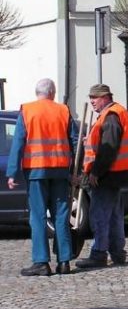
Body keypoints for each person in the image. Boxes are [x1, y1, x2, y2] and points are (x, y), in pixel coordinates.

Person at [5, 78, 78, 276]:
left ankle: (41, 262)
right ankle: (64, 262)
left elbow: (18, 143)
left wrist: (12, 172)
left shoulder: (27, 111)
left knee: (37, 217)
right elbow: (74, 142)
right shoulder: (63, 111)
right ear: (53, 92)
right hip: (60, 170)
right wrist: (74, 172)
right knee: (61, 216)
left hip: (36, 172)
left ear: (37, 92)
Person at [75, 84, 128, 269]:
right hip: (118, 173)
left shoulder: (111, 116)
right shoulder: (114, 113)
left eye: (94, 98)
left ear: (105, 97)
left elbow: (108, 148)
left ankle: (99, 254)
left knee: (100, 215)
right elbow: (104, 142)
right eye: (90, 98)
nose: (92, 101)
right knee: (114, 215)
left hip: (110, 173)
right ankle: (117, 253)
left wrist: (96, 172)